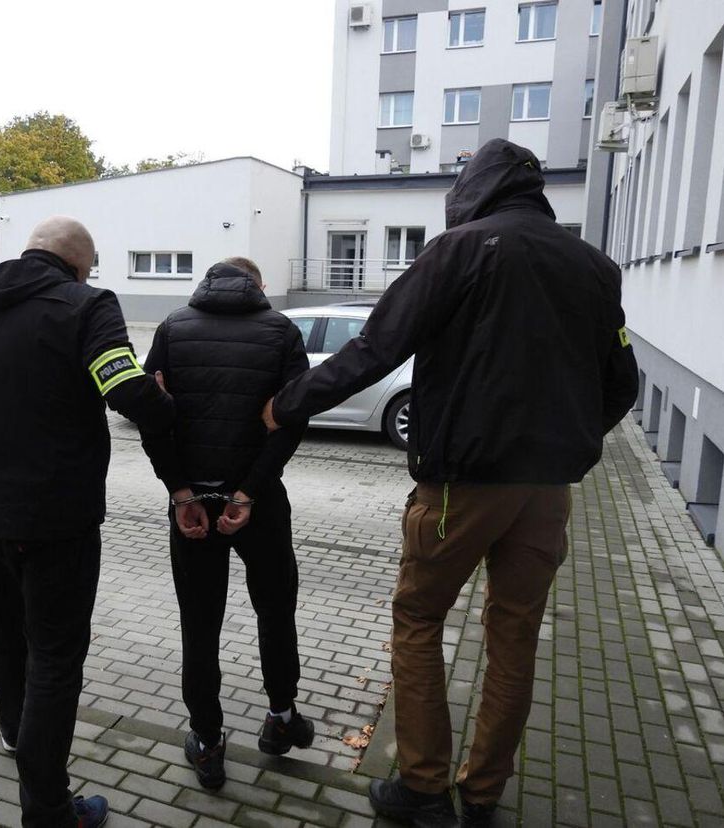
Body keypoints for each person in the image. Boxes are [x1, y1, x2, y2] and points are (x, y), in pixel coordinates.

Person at [263, 140, 639, 827]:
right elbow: (623, 383)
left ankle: (424, 788)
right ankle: (484, 795)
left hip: (461, 487)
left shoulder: (460, 250)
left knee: (418, 620)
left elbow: (377, 346)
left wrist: (288, 403)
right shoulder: (594, 268)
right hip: (547, 492)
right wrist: (572, 444)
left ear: (473, 190)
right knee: (513, 639)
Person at [0, 215, 174, 828]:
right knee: (57, 657)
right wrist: (165, 405)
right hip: (60, 519)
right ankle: (47, 808)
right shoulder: (87, 305)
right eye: (90, 265)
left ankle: (13, 732)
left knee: (6, 634)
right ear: (77, 261)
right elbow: (119, 386)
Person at [140, 257, 314, 790]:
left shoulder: (171, 328)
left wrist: (180, 491)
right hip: (258, 506)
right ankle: (281, 720)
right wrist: (250, 492)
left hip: (193, 505)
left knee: (200, 622)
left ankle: (208, 742)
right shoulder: (282, 331)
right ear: (259, 287)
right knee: (275, 609)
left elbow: (151, 413)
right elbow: (291, 420)